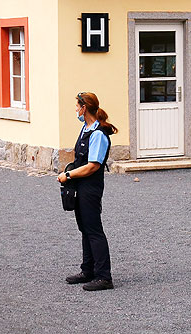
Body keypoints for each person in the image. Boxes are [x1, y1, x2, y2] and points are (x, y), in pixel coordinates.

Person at [58, 91, 116, 291]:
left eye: (77, 107)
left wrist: (69, 175)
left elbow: (93, 165)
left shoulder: (98, 134)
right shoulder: (86, 128)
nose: (75, 110)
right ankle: (88, 270)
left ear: (84, 108)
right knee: (84, 228)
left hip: (90, 188)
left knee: (93, 230)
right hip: (80, 186)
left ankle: (104, 276)